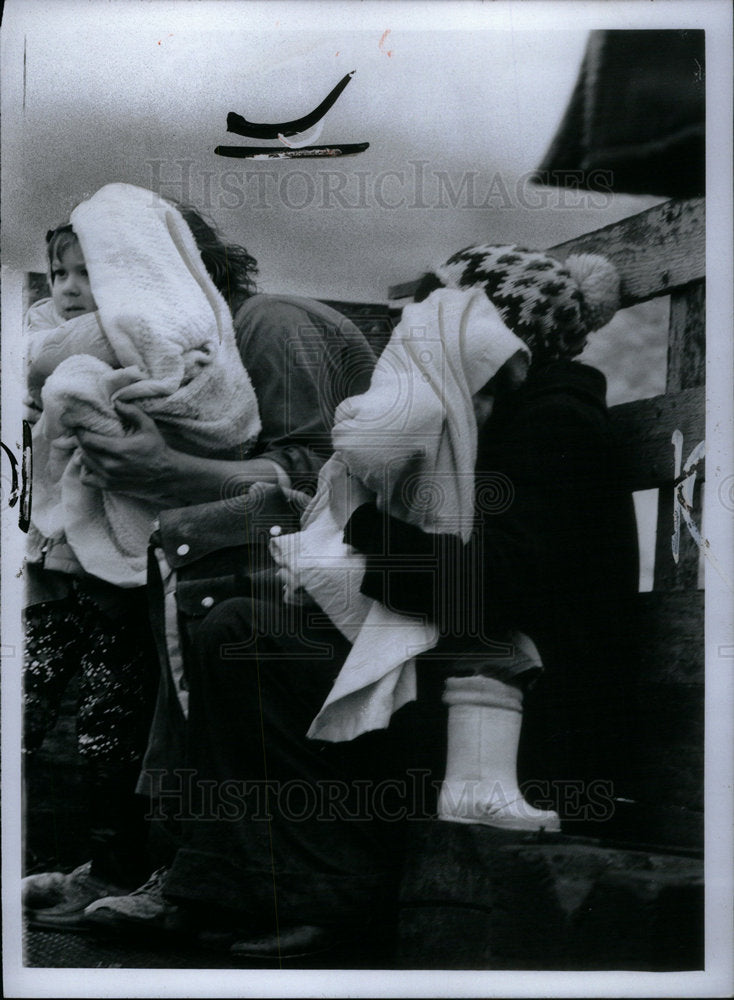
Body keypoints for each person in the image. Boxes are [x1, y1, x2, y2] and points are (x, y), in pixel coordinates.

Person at [83, 244, 639, 961]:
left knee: (258, 642)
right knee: (237, 625)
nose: (419, 326)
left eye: (441, 306)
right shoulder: (477, 419)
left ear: (489, 327)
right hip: (472, 674)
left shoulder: (553, 423)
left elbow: (497, 583)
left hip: (519, 714)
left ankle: (328, 892)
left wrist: (364, 536)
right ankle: (225, 884)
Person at [24, 191, 377, 930]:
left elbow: (318, 482)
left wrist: (162, 472)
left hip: (344, 586)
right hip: (245, 574)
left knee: (205, 602)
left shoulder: (269, 327)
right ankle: (138, 859)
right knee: (126, 604)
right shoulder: (194, 365)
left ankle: (185, 870)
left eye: (112, 280)